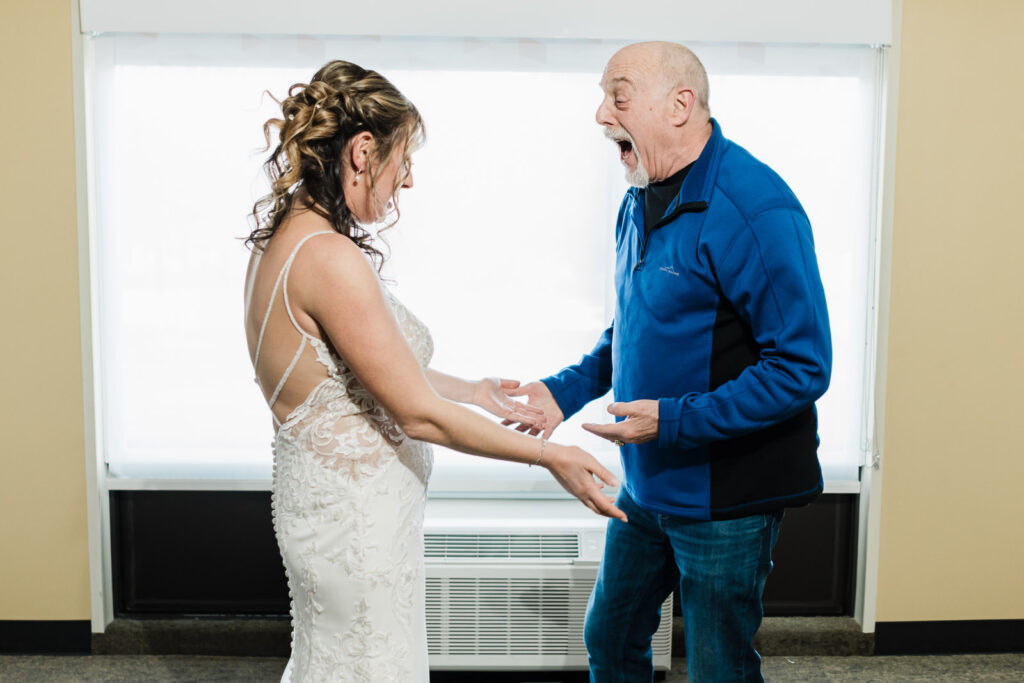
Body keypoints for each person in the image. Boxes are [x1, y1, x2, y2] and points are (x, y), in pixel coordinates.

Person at [242, 60, 625, 682]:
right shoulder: (329, 258)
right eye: (403, 160)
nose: (408, 181)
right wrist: (550, 457)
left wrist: (472, 390)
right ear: (363, 151)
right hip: (356, 531)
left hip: (332, 518)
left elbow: (353, 374)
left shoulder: (283, 238)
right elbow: (416, 414)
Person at [507, 42, 833, 682]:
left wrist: (672, 421)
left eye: (617, 96)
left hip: (728, 497)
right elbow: (640, 323)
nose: (601, 115)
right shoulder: (642, 194)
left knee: (719, 667)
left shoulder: (754, 207)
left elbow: (801, 365)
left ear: (679, 105)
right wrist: (563, 391)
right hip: (648, 484)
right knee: (612, 637)